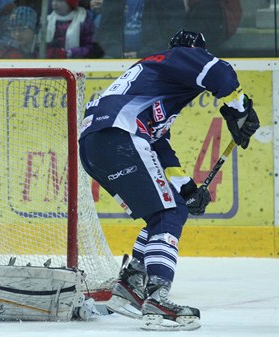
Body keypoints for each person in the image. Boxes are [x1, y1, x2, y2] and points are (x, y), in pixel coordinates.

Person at [78, 30, 259, 330]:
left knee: (168, 208)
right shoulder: (180, 56)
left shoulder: (154, 82)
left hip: (96, 145)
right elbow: (220, 72)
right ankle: (158, 298)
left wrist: (186, 188)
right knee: (169, 213)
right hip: (119, 134)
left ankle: (132, 283)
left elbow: (159, 147)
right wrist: (239, 110)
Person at [96, 0, 185, 58]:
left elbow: (172, 33)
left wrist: (142, 54)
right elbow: (104, 33)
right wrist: (118, 52)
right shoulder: (113, 2)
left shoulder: (166, 3)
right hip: (115, 57)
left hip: (154, 56)